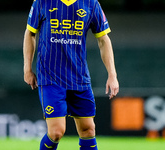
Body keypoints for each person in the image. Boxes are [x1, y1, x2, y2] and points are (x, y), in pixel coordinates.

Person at [23, 0, 119, 149]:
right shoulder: (42, 2)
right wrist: (27, 68)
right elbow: (30, 33)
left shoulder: (91, 4)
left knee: (88, 130)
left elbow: (103, 40)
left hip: (79, 78)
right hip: (50, 76)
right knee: (56, 132)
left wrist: (112, 75)